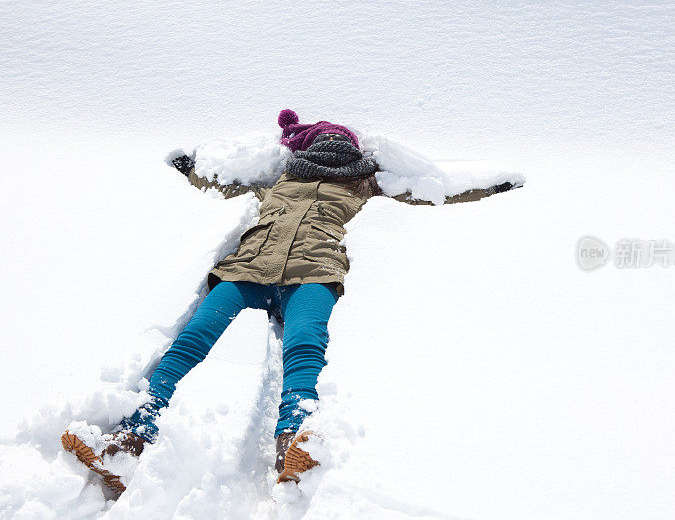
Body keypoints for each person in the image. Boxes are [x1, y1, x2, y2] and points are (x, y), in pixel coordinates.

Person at [61, 110, 518, 491]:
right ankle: (127, 441)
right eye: (324, 139)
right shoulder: (280, 176)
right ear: (306, 145)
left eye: (339, 141)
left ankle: (292, 445)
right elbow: (225, 182)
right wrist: (191, 170)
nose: (332, 145)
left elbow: (431, 191)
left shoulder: (366, 182)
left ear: (354, 148)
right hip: (248, 268)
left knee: (303, 343)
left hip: (315, 272)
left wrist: (492, 187)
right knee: (192, 338)